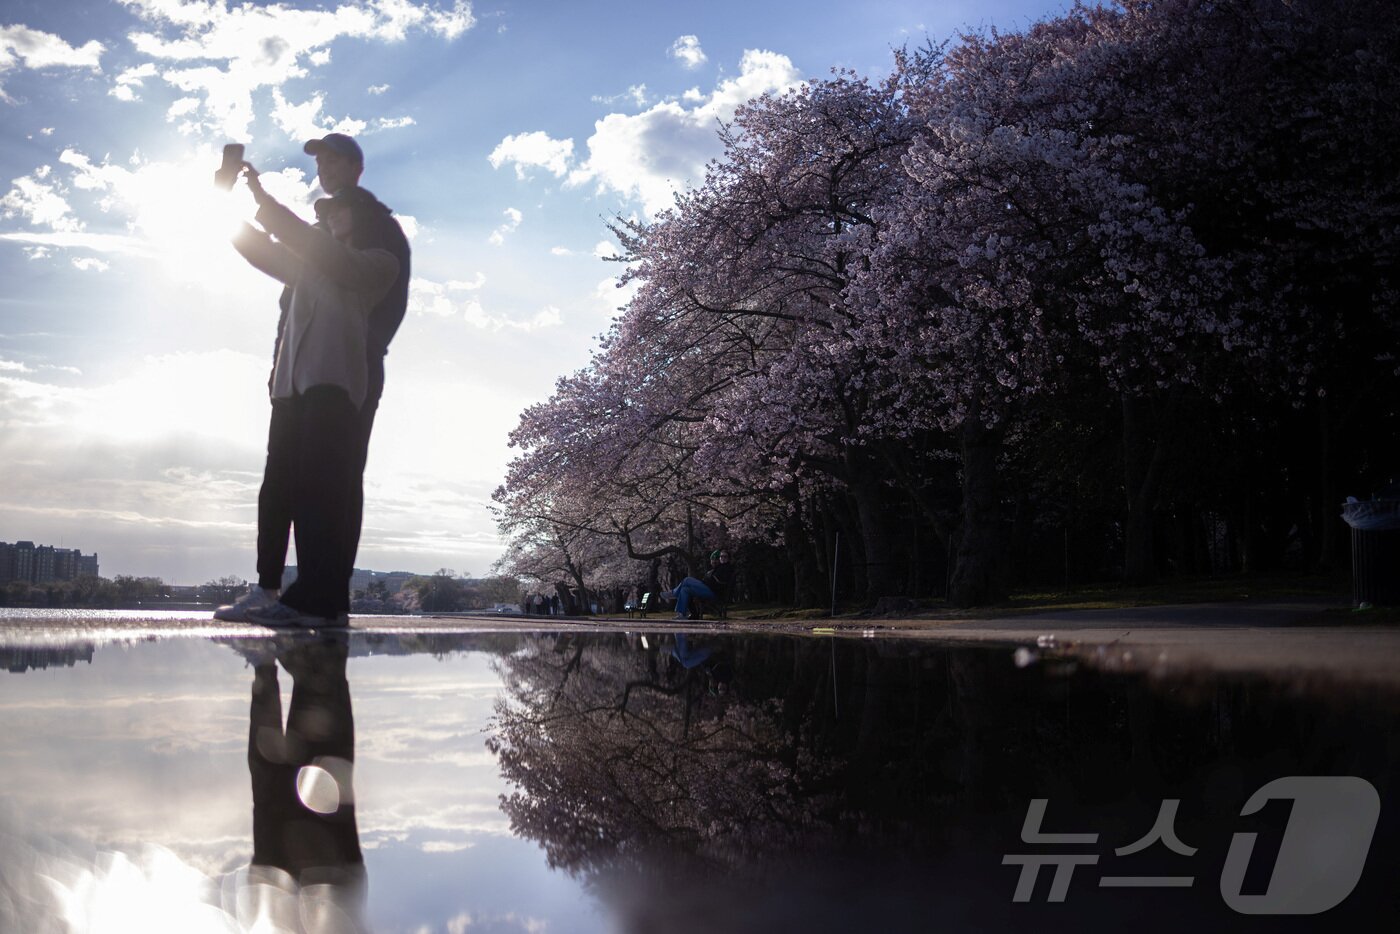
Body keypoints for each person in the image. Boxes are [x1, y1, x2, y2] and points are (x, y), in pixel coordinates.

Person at [217, 134, 411, 623]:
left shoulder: (378, 252)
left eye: (336, 214)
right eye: (323, 215)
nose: (327, 216)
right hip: (294, 383)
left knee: (327, 484)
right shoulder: (316, 263)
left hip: (343, 376)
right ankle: (277, 590)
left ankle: (321, 596)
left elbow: (326, 256)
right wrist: (221, 205)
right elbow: (266, 252)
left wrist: (263, 201)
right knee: (281, 482)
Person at [662, 549, 734, 621]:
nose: (723, 558)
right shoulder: (718, 568)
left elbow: (719, 580)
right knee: (685, 589)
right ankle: (682, 614)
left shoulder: (727, 568)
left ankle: (674, 593)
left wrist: (711, 577)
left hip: (714, 592)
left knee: (687, 580)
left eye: (725, 557)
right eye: (721, 556)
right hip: (708, 588)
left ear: (728, 558)